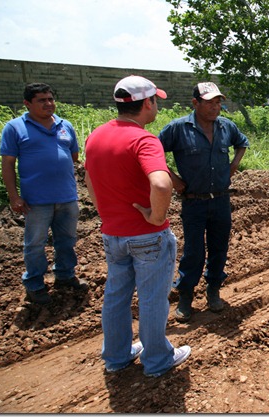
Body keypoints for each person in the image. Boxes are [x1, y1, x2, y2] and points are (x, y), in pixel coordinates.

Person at [84, 75, 190, 377]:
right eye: (155, 100)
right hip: (147, 236)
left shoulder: (97, 135)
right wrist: (156, 217)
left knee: (116, 296)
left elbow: (89, 179)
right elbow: (160, 182)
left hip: (113, 233)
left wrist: (105, 210)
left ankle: (116, 356)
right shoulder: (143, 139)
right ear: (147, 103)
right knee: (153, 297)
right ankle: (157, 359)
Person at [158, 82, 249, 322]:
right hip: (193, 202)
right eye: (210, 102)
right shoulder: (178, 128)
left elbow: (242, 143)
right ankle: (186, 296)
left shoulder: (226, 127)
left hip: (220, 200)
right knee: (194, 252)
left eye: (218, 102)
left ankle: (213, 290)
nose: (215, 107)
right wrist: (174, 178)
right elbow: (153, 153)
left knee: (219, 248)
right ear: (195, 103)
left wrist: (233, 166)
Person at [0, 82, 87, 305]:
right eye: (42, 100)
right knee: (35, 244)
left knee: (66, 239)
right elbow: (8, 164)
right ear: (27, 104)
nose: (49, 104)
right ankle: (35, 284)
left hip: (67, 196)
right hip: (36, 200)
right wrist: (14, 196)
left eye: (50, 99)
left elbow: (74, 156)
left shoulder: (64, 125)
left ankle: (65, 276)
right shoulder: (15, 127)